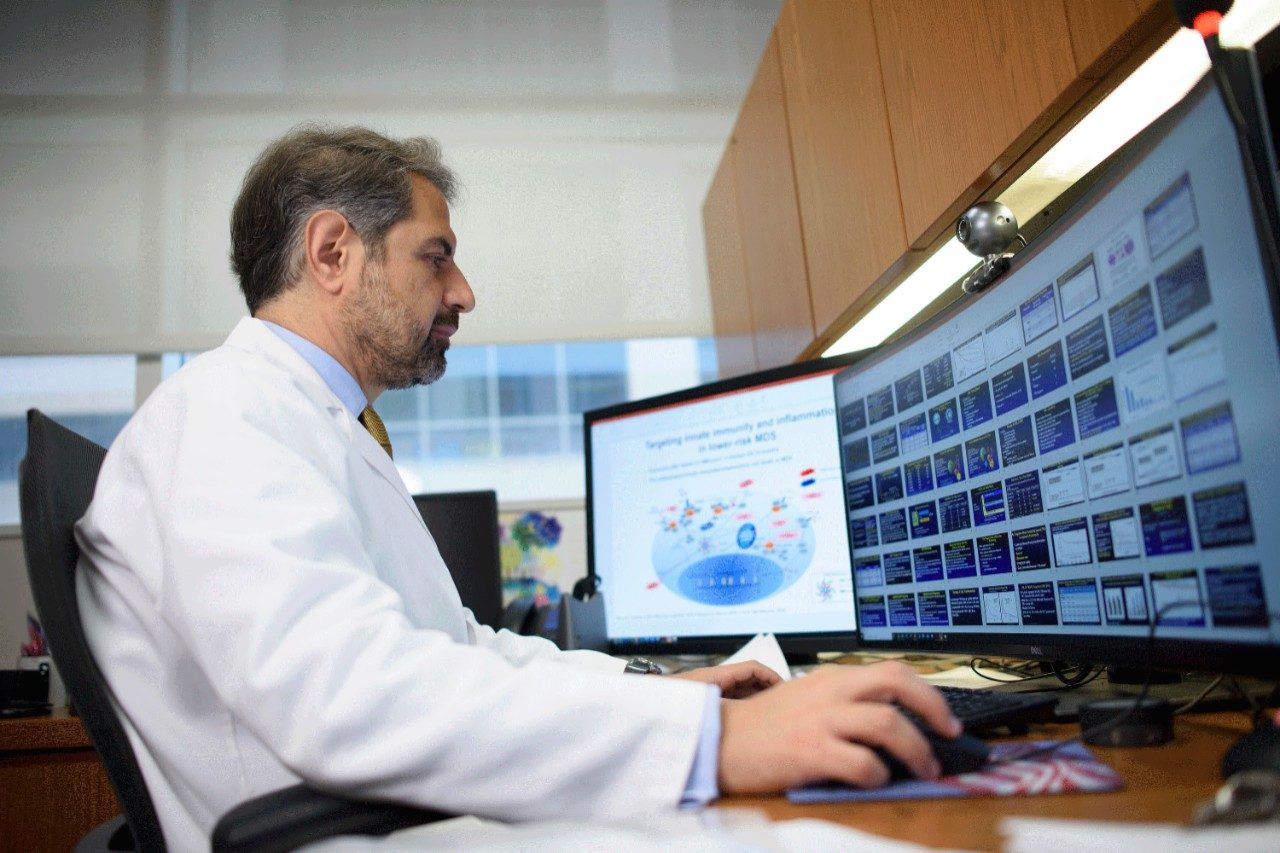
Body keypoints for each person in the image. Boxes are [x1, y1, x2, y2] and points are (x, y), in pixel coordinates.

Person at [75, 126, 961, 848]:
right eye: (436, 257)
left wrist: (656, 691)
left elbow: (462, 649)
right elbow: (347, 699)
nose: (464, 291)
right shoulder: (225, 416)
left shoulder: (316, 426)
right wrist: (715, 740)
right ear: (334, 251)